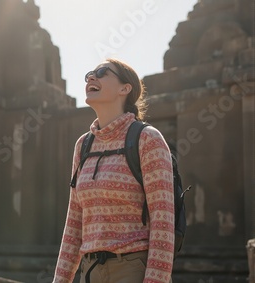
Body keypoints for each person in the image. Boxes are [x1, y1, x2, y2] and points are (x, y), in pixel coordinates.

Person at [53, 58, 175, 283]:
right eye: (90, 73)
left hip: (132, 270)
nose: (91, 77)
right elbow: (74, 222)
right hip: (90, 272)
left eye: (101, 72)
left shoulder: (147, 139)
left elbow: (163, 221)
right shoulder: (83, 145)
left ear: (125, 88)